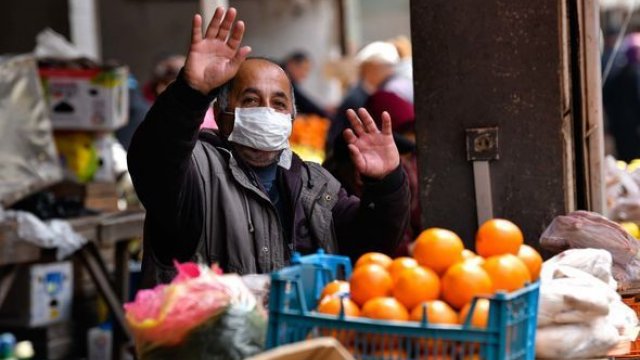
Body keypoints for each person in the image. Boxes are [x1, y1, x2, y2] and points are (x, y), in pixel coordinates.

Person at [128, 7, 411, 287]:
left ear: (291, 119)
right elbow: (154, 162)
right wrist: (189, 94)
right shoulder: (196, 173)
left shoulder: (317, 184)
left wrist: (385, 184)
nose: (266, 111)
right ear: (222, 115)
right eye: (250, 101)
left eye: (278, 103)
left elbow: (372, 246)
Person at [325, 41, 400, 155]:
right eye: (388, 67)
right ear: (372, 67)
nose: (391, 72)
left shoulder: (373, 94)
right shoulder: (356, 99)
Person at [603, 33, 640, 162]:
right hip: (633, 129)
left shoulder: (618, 73)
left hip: (619, 127)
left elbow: (607, 98)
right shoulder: (635, 74)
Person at [282, 51, 329, 118]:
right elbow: (303, 102)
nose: (304, 75)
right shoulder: (280, 78)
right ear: (291, 64)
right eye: (303, 69)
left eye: (307, 71)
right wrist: (324, 113)